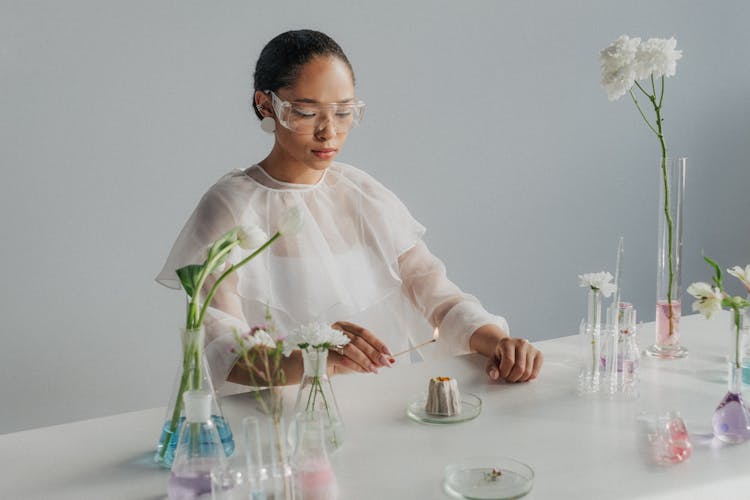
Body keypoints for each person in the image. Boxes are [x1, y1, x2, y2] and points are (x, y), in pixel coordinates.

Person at [157, 29, 543, 395]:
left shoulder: (360, 193)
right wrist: (314, 358)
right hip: (276, 420)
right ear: (266, 105)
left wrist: (501, 343)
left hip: (381, 405)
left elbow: (436, 294)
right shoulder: (231, 205)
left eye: (343, 112)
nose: (329, 132)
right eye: (307, 113)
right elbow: (221, 346)